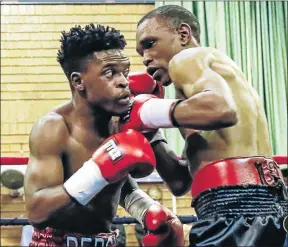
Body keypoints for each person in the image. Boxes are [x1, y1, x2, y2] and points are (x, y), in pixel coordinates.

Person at [118, 5, 288, 246]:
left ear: (183, 34)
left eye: (150, 43)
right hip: (264, 204)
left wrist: (147, 112)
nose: (145, 58)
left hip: (235, 208)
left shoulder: (186, 59)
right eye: (140, 52)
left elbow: (222, 110)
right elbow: (180, 182)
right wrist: (149, 132)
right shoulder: (206, 90)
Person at [24, 23, 184, 247]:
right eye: (110, 73)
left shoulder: (122, 122)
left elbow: (117, 183)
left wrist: (147, 211)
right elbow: (37, 210)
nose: (123, 81)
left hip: (107, 240)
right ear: (78, 81)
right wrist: (97, 170)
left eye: (124, 72)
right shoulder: (54, 128)